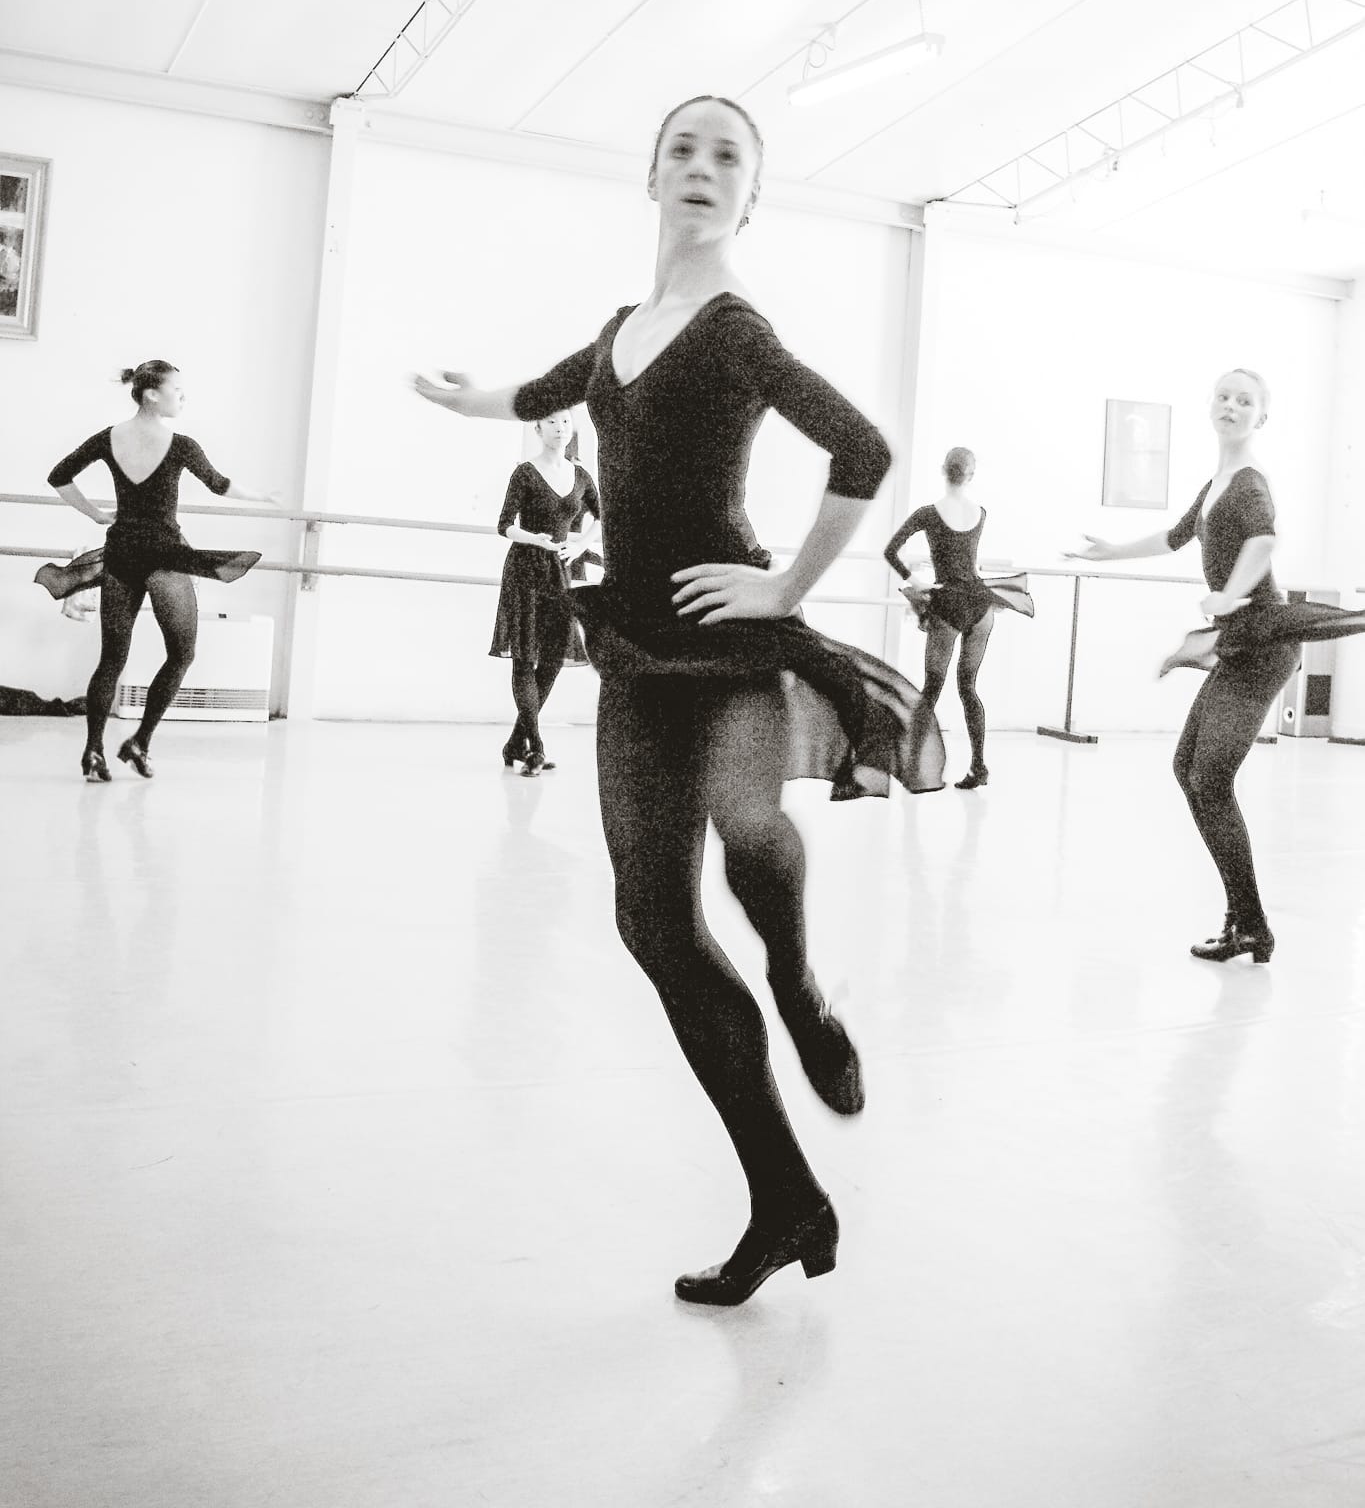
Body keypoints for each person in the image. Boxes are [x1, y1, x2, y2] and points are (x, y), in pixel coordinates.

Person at [414, 93, 944, 1307]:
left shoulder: (735, 329)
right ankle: (787, 1199)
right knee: (651, 921)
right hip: (637, 649)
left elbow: (862, 448)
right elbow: (543, 391)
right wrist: (468, 398)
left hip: (729, 638)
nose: (702, 167)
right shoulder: (621, 331)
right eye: (683, 150)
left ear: (751, 196)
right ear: (651, 176)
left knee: (750, 829)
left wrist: (786, 584)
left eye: (728, 156)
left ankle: (797, 979)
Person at [1066, 367, 1365, 964]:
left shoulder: (1249, 482)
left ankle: (1251, 925)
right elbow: (1175, 537)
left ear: (1261, 416)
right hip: (1241, 642)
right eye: (1224, 396)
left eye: (1244, 400)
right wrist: (1112, 551)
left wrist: (1230, 594)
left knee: (1209, 778)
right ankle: (1245, 922)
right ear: (1211, 406)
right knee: (1189, 768)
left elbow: (1264, 542)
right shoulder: (1216, 482)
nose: (1231, 405)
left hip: (1263, 645)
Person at [37, 360, 276, 783]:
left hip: (122, 555)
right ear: (152, 394)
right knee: (182, 654)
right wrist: (263, 497)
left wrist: (96, 516)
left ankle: (93, 751)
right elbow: (220, 484)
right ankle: (139, 742)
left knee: (111, 659)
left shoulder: (108, 438)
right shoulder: (181, 445)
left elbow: (59, 476)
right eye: (177, 390)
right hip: (164, 556)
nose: (183, 396)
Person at [884, 446, 1033, 790]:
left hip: (949, 604)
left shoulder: (927, 514)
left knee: (931, 690)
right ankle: (979, 767)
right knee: (968, 688)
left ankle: (914, 768)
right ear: (971, 475)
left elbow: (891, 551)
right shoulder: (981, 513)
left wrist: (915, 580)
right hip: (980, 604)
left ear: (943, 470)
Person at [491, 409, 600, 773]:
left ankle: (514, 743)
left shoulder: (581, 476)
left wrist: (580, 545)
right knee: (525, 657)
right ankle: (535, 747)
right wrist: (533, 538)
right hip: (524, 569)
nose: (559, 428)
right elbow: (504, 525)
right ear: (538, 428)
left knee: (552, 659)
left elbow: (604, 516)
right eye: (551, 422)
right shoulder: (525, 472)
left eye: (565, 422)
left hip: (558, 573)